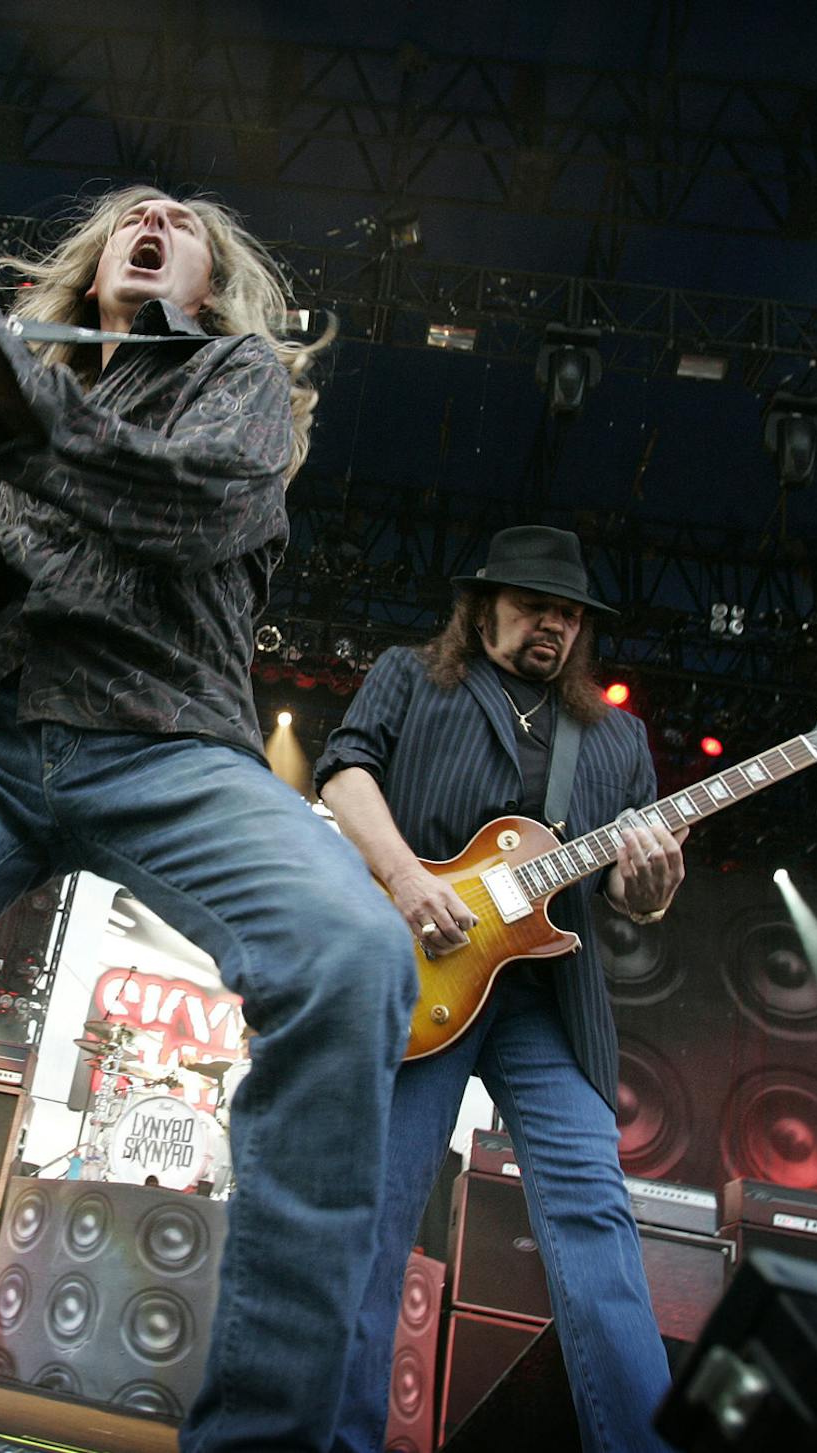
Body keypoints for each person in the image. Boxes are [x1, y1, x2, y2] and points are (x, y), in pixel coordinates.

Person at [0, 186, 416, 1453]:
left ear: (205, 278)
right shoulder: (8, 389)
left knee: (355, 956)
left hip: (172, 745)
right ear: (96, 262)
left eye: (187, 220)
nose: (154, 217)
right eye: (132, 213)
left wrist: (8, 392)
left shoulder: (238, 373)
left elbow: (191, 506)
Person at [316, 525, 686, 1453]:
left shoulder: (617, 740)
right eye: (535, 607)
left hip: (548, 1003)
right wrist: (405, 877)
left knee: (595, 1213)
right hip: (420, 975)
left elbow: (629, 890)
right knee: (381, 1213)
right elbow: (345, 770)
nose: (554, 627)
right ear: (483, 606)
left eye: (569, 615)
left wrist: (651, 885)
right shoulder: (413, 677)